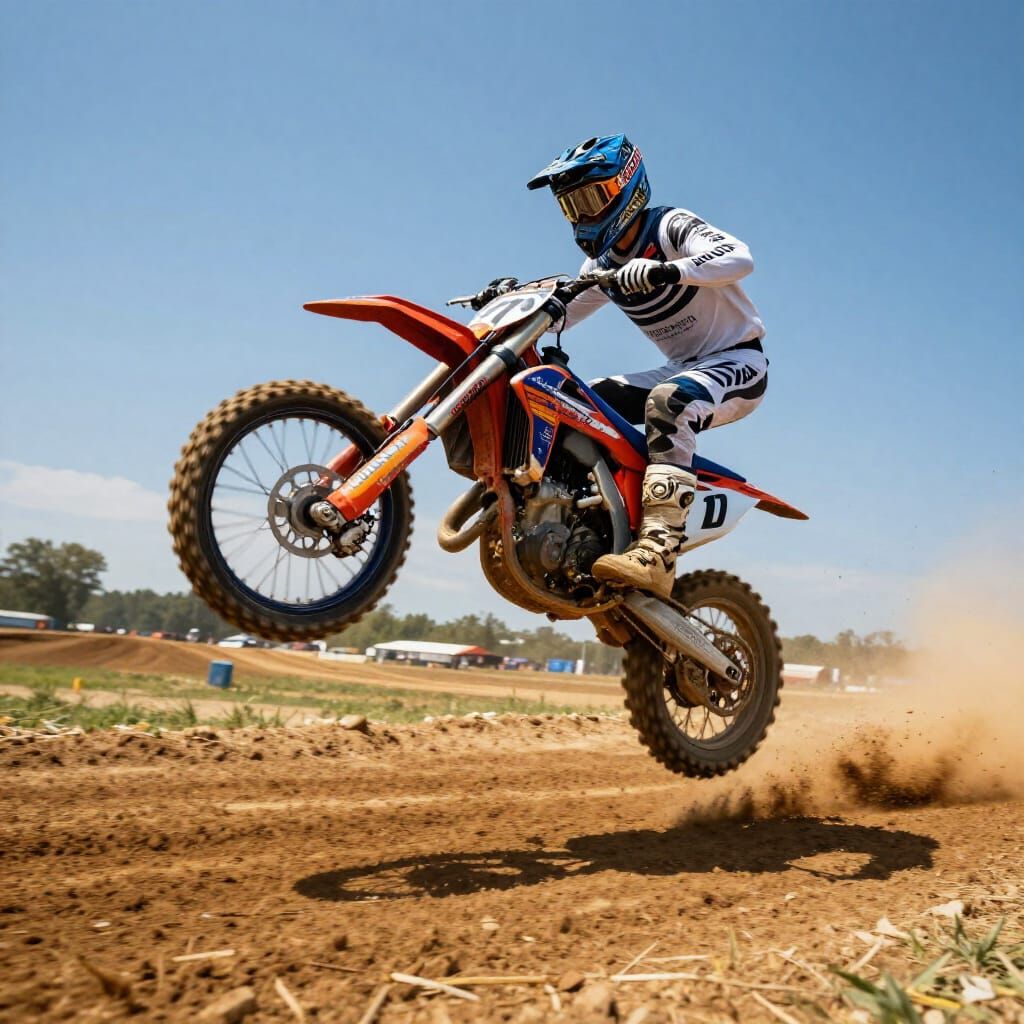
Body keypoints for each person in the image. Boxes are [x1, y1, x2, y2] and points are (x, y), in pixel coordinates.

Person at [525, 134, 768, 599]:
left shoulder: (669, 226)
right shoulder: (600, 264)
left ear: (626, 188)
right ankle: (583, 526)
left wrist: (670, 269)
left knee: (670, 403)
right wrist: (518, 303)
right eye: (572, 207)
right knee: (576, 400)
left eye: (592, 199)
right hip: (683, 365)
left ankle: (658, 552)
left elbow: (739, 256)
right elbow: (564, 312)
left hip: (738, 362)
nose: (583, 216)